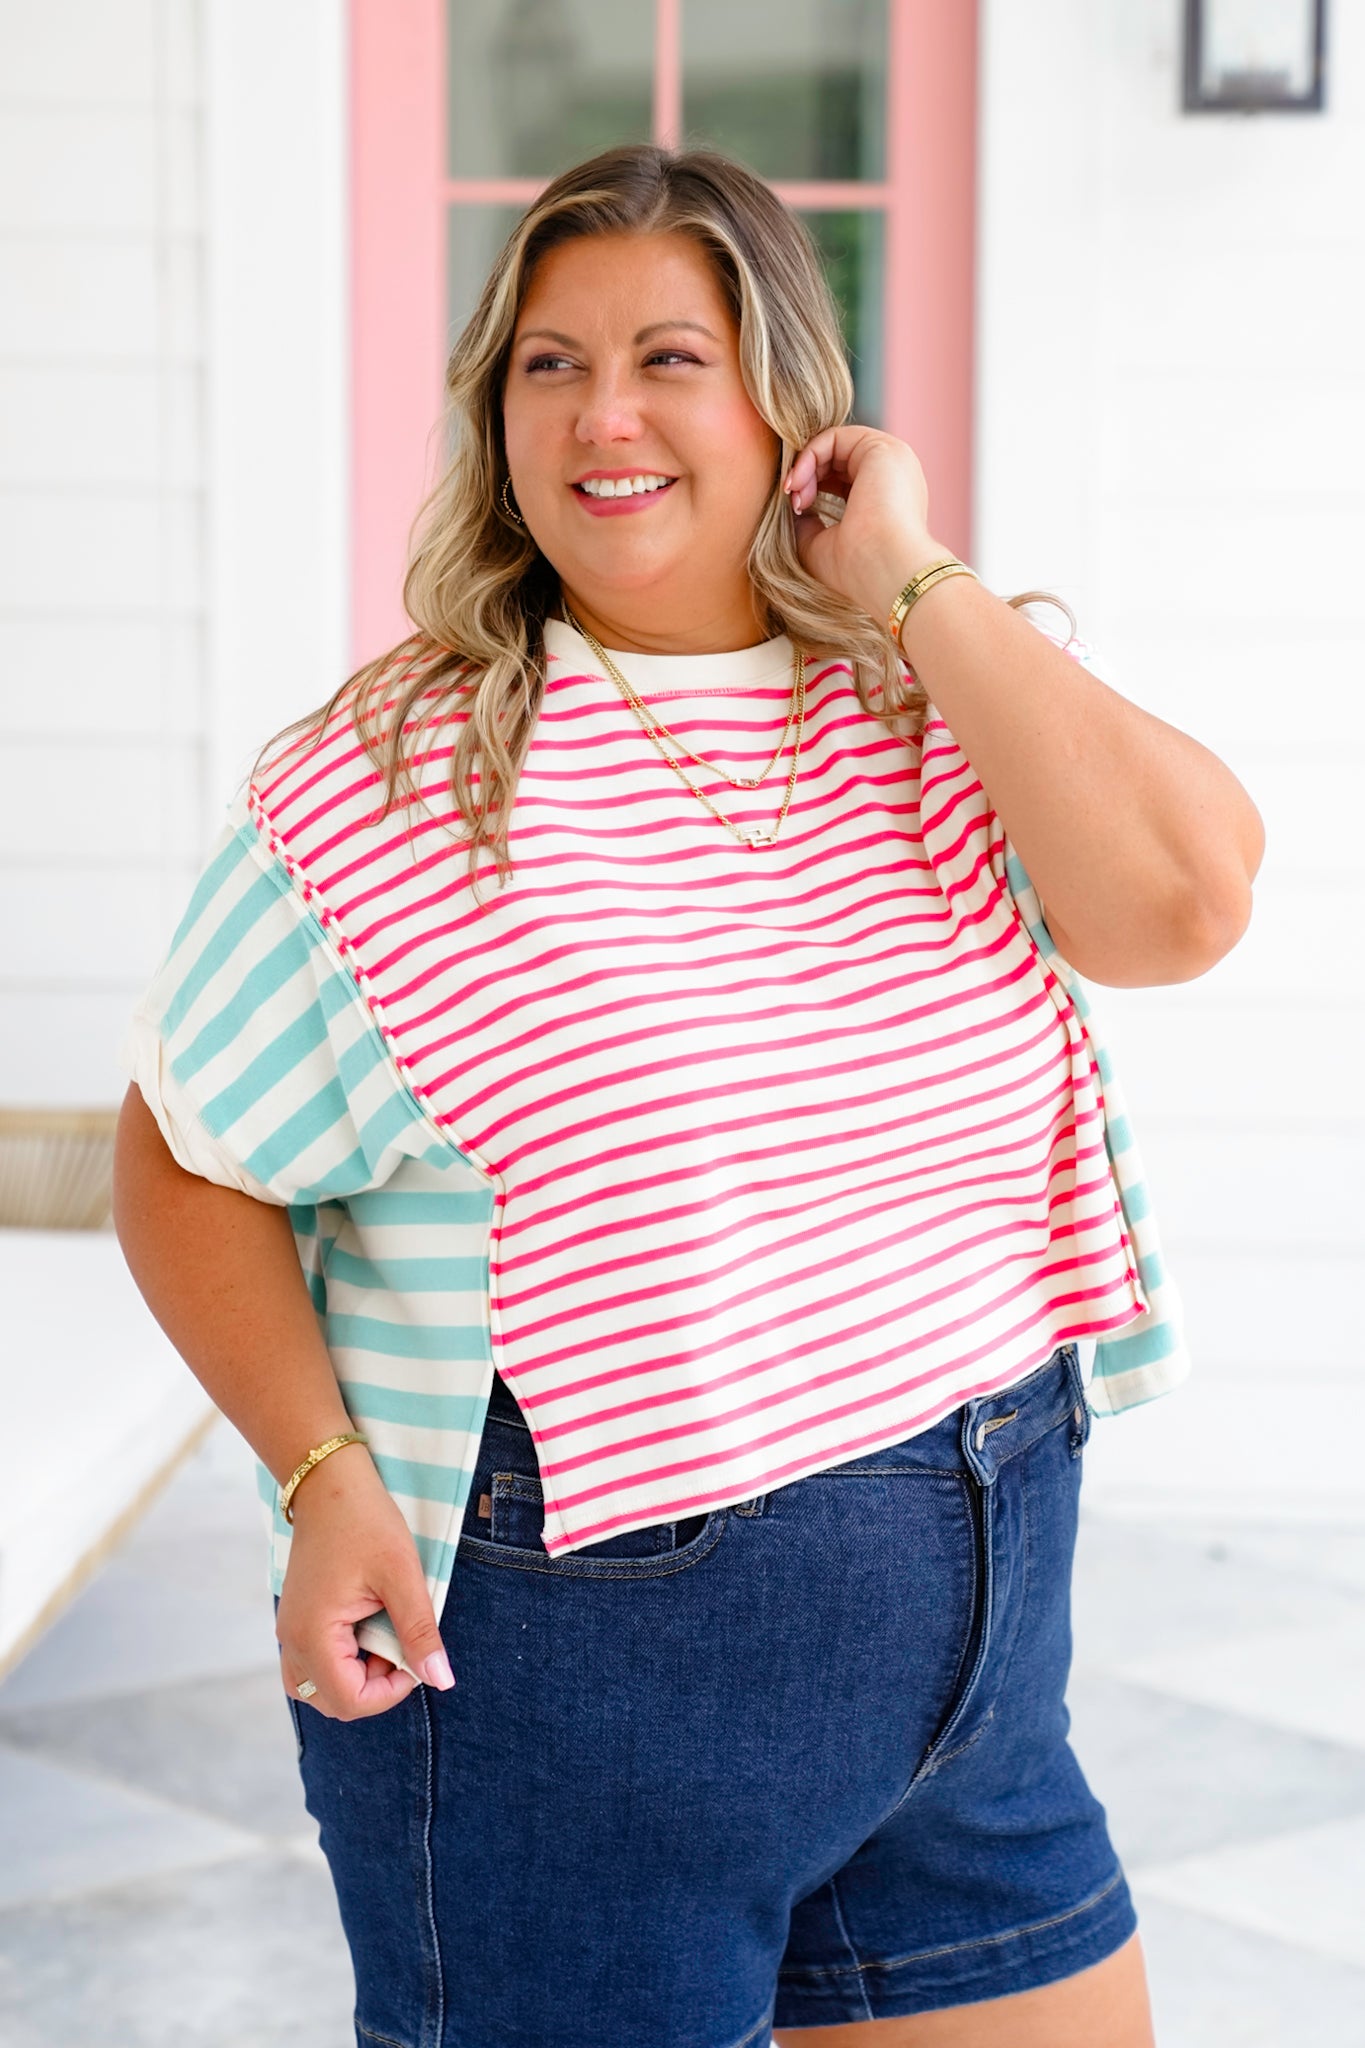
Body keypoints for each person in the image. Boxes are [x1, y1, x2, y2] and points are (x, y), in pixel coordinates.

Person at [113, 143, 1263, 2048]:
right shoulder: (386, 784)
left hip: (973, 1675)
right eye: (548, 366)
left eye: (670, 357)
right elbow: (181, 1160)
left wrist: (906, 573)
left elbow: (1184, 904)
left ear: (786, 406)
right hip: (580, 1709)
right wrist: (321, 1478)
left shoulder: (939, 704)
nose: (602, 416)